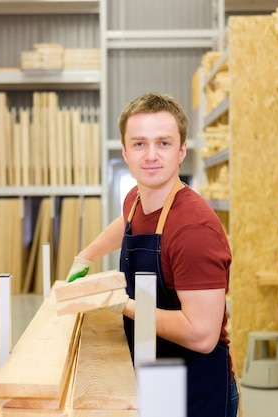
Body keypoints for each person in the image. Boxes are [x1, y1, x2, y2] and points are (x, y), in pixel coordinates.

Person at [66, 92, 239, 417]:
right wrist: (87, 254)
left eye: (163, 143)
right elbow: (128, 222)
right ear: (125, 152)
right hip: (154, 372)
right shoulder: (136, 197)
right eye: (139, 144)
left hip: (196, 389)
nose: (151, 156)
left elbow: (201, 335)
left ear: (181, 151)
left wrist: (125, 305)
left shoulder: (194, 229)